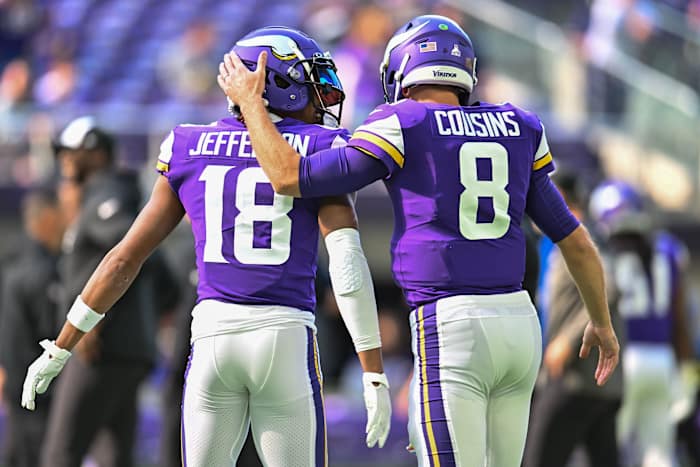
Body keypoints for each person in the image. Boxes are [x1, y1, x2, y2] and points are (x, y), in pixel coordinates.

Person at [218, 14, 620, 467]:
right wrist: (601, 322)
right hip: (519, 326)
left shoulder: (403, 120)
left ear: (404, 70)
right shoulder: (517, 125)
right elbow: (576, 241)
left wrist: (252, 106)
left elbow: (289, 176)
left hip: (451, 324)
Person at [22, 27, 392, 467]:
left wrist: (61, 344)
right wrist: (372, 371)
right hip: (285, 335)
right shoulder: (320, 148)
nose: (322, 101)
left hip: (212, 340)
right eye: (311, 87)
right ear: (277, 85)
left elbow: (124, 257)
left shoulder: (187, 144)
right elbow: (347, 264)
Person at [33, 116, 178, 467]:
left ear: (97, 154)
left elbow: (127, 254)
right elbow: (154, 268)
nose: (65, 160)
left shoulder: (108, 190)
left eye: (73, 151)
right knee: (115, 455)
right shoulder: (105, 192)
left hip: (100, 349)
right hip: (126, 350)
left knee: (60, 453)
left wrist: (95, 321)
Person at [589, 180, 694, 467]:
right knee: (659, 450)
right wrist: (686, 366)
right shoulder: (670, 249)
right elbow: (679, 317)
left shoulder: (604, 248)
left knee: (610, 445)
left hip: (622, 358)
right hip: (661, 359)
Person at [523, 172, 624, 467]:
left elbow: (612, 284)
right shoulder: (548, 240)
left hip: (577, 375)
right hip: (588, 380)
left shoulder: (583, 234)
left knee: (537, 460)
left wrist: (567, 340)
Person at [0, 188, 64, 467]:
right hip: (38, 387)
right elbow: (49, 330)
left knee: (18, 453)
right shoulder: (42, 270)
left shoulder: (12, 261)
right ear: (48, 217)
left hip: (15, 381)